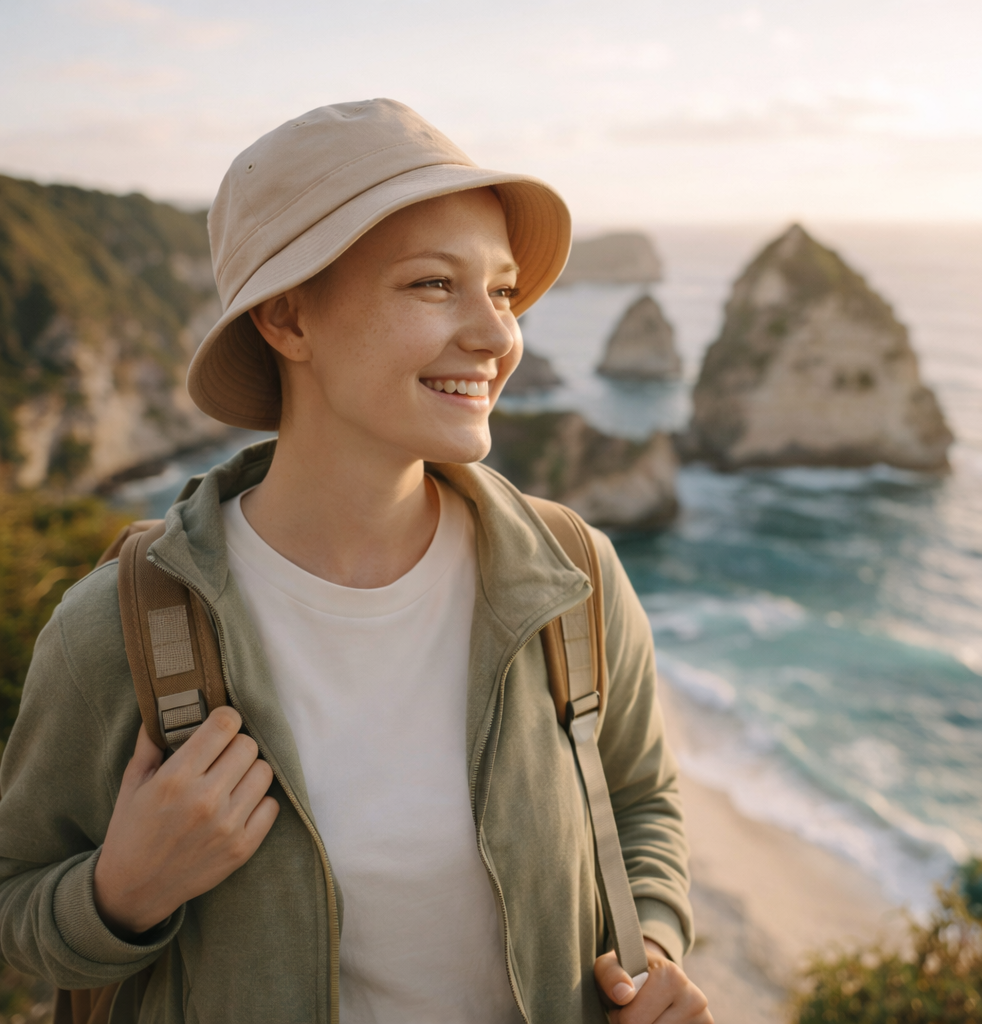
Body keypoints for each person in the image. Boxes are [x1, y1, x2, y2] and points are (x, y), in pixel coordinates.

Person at [0, 99, 710, 1024]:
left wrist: (648, 950)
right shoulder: (119, 633)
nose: (499, 338)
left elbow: (641, 801)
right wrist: (121, 892)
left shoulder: (572, 576)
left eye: (500, 290)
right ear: (288, 318)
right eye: (431, 284)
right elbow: (15, 900)